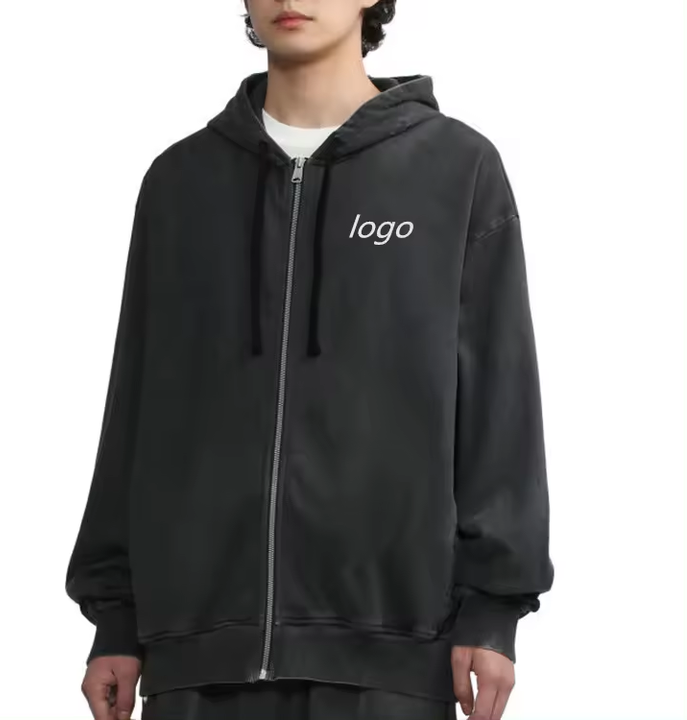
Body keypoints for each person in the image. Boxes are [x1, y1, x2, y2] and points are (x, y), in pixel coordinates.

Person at [65, 1, 555, 718]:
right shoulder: (179, 182)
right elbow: (137, 404)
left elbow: (499, 402)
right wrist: (116, 616)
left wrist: (492, 609)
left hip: (392, 654)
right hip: (197, 655)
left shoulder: (456, 169)